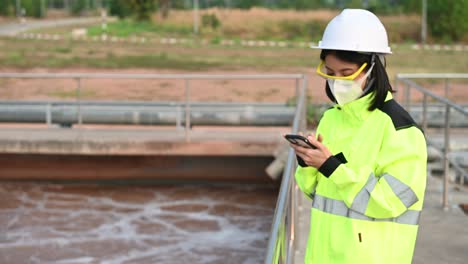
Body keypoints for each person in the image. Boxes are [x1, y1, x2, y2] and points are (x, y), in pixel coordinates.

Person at [288, 9, 427, 264]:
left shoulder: (399, 129)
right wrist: (308, 161)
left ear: (374, 67)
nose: (337, 82)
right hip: (322, 255)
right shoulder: (332, 118)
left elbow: (391, 201)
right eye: (331, 72)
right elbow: (316, 193)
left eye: (347, 73)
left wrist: (332, 167)